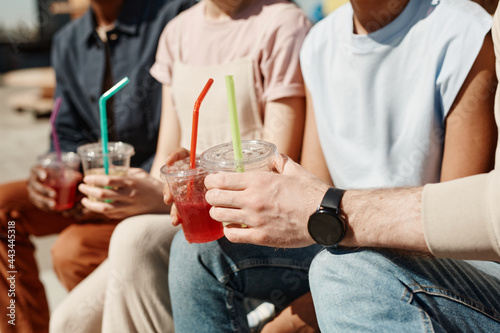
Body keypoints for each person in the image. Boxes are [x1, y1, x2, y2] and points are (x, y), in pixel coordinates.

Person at [168, 0, 499, 332]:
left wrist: (301, 315)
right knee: (198, 250)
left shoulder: (464, 35)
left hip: (422, 263)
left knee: (347, 273)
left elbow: (452, 234)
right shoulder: (319, 42)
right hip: (337, 244)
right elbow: (311, 194)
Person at [49, 0, 311, 332]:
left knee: (135, 237)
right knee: (68, 322)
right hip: (191, 216)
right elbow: (167, 161)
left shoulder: (283, 24)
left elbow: (278, 163)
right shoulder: (178, 31)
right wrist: (143, 191)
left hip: (246, 219)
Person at [0, 1, 194, 332]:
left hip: (149, 192)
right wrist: (59, 169)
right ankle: (22, 325)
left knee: (71, 251)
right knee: (6, 207)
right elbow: (67, 135)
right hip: (90, 188)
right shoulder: (69, 41)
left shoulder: (173, 17)